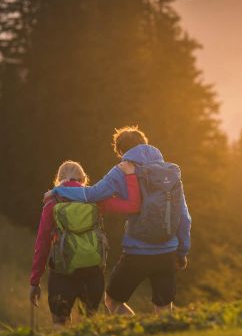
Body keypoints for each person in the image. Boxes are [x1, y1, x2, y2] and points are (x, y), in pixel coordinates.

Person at [43, 127, 190, 315]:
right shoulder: (170, 172)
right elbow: (184, 217)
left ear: (121, 151)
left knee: (112, 300)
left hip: (137, 252)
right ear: (145, 143)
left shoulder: (121, 170)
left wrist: (58, 190)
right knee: (163, 307)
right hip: (168, 250)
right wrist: (182, 251)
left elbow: (93, 194)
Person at [30, 160, 141, 324]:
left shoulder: (52, 203)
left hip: (62, 274)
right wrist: (131, 176)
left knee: (60, 323)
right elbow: (131, 206)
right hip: (92, 273)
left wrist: (35, 281)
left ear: (59, 180)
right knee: (90, 324)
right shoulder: (96, 200)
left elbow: (42, 243)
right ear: (83, 179)